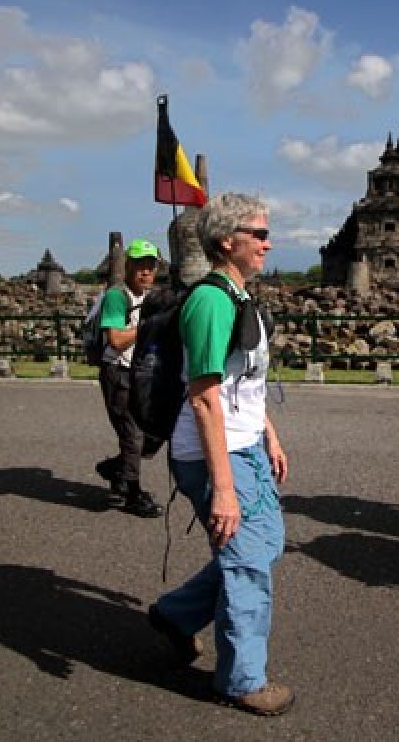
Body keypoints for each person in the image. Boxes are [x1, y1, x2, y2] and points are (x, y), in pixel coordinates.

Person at [147, 195, 293, 716]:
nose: (267, 243)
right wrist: (224, 488)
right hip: (213, 451)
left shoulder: (240, 296)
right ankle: (242, 680)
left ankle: (178, 615)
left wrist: (268, 434)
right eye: (259, 233)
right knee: (248, 560)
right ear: (227, 240)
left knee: (264, 544)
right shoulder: (211, 300)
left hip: (244, 443)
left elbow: (243, 383)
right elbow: (205, 396)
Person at [94, 238, 163, 518]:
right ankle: (132, 494)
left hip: (141, 373)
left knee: (155, 431)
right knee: (132, 436)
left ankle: (115, 469)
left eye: (151, 266)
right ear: (128, 266)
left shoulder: (150, 296)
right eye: (140, 266)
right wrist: (148, 326)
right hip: (118, 372)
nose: (146, 272)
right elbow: (116, 340)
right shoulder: (116, 296)